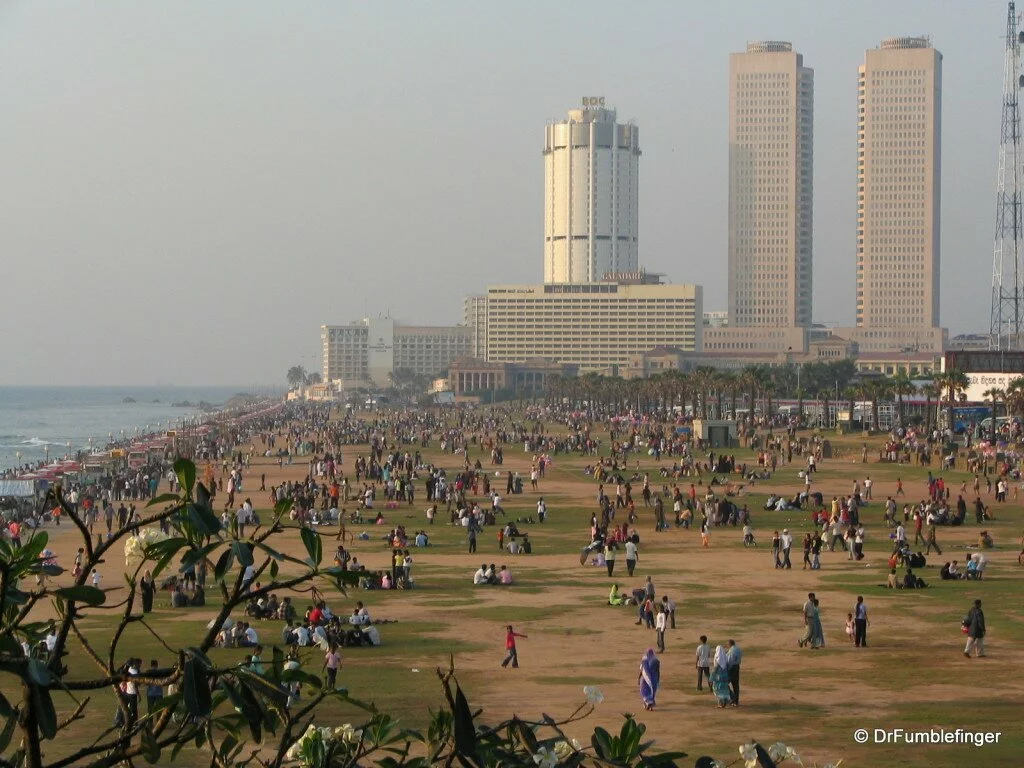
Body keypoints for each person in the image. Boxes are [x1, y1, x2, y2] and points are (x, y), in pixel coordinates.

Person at [726, 639, 741, 705]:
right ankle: (736, 701)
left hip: (732, 668)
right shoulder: (738, 649)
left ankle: (732, 698)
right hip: (737, 666)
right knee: (736, 685)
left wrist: (728, 669)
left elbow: (730, 661)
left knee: (725, 683)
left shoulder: (732, 650)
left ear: (730, 644)